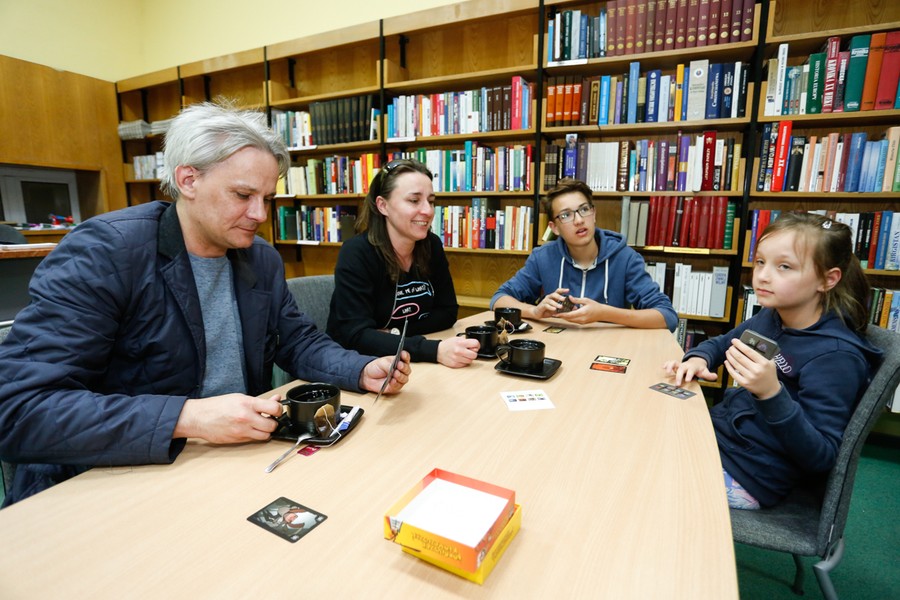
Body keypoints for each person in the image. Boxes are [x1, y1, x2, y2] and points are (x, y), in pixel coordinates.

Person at [0, 102, 410, 506]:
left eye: (266, 197)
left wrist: (360, 369)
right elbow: (19, 409)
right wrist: (187, 418)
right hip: (110, 482)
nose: (259, 214)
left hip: (228, 466)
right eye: (243, 194)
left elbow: (298, 340)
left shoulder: (259, 257)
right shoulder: (105, 253)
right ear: (188, 180)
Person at [664, 212, 881, 509]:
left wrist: (771, 394)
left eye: (785, 267)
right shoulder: (772, 315)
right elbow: (723, 342)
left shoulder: (837, 357)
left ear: (827, 279)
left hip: (751, 474)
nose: (763, 276)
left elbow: (821, 456)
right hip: (722, 439)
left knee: (638, 471)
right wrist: (699, 358)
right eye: (761, 262)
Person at [327, 158, 478, 368]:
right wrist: (432, 349)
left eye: (431, 200)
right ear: (383, 205)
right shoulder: (357, 253)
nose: (428, 210)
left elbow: (447, 312)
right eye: (414, 201)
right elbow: (357, 336)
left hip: (407, 361)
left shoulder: (431, 245)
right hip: (358, 366)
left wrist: (393, 334)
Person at [491, 178, 677, 331]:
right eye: (566, 215)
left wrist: (604, 313)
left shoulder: (625, 258)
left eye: (584, 210)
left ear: (594, 214)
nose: (579, 220)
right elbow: (499, 299)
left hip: (609, 351)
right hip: (558, 347)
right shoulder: (543, 257)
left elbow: (667, 316)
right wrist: (535, 311)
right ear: (554, 228)